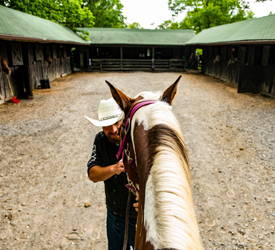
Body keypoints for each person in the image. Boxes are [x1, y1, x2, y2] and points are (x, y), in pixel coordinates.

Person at [85, 98, 138, 250]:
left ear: (124, 120)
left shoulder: (136, 139)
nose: (113, 130)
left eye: (117, 123)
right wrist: (113, 169)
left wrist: (146, 200)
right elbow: (92, 174)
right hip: (114, 214)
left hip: (139, 216)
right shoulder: (100, 140)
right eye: (107, 126)